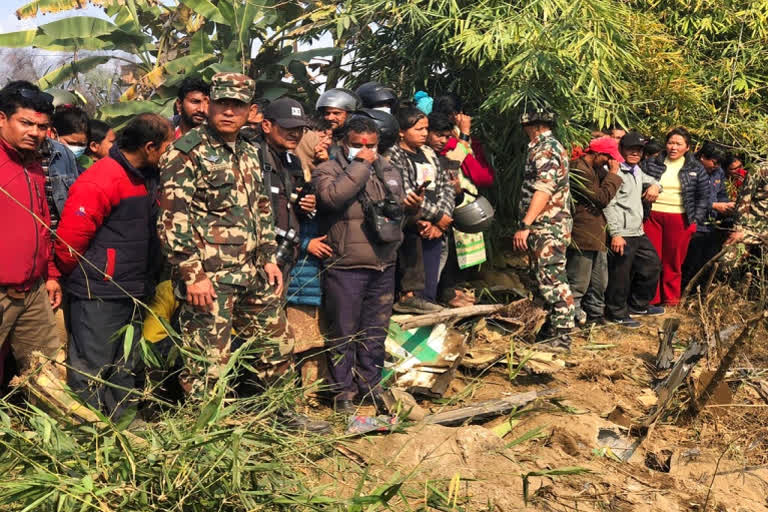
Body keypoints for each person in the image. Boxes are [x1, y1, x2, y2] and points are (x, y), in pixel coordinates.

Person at [157, 73, 328, 431]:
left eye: (237, 105)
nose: (228, 112)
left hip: (254, 272)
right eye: (222, 103)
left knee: (276, 345)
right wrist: (193, 275)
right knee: (207, 361)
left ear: (250, 110)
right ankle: (203, 431)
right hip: (210, 280)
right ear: (210, 105)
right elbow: (173, 220)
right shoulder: (185, 152)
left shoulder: (250, 152)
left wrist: (269, 257)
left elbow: (261, 208)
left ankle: (282, 414)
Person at [55, 113, 173, 417]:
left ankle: (123, 425)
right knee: (92, 367)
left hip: (133, 288)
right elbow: (70, 243)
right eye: (167, 146)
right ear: (150, 147)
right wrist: (90, 276)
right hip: (100, 290)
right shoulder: (102, 178)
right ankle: (87, 431)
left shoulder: (149, 176)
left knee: (126, 364)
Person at [314, 115, 421, 412]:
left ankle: (369, 386)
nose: (366, 150)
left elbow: (396, 217)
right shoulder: (327, 169)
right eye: (358, 145)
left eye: (371, 146)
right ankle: (342, 393)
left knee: (375, 332)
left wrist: (413, 208)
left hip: (383, 264)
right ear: (343, 142)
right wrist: (360, 164)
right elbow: (333, 198)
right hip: (345, 265)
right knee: (343, 333)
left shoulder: (388, 170)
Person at [0, 81, 63, 380]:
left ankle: (46, 426)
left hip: (33, 290)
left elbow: (42, 222)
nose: (35, 133)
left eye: (42, 126)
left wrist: (50, 273)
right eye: (26, 123)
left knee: (46, 373)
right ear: (2, 118)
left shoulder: (34, 164)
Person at [512, 106, 574, 349]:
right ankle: (547, 330)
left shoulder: (545, 149)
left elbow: (544, 189)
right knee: (543, 278)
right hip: (547, 225)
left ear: (533, 126)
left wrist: (526, 224)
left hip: (548, 225)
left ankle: (562, 336)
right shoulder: (548, 147)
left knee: (552, 278)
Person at [388, 104, 454, 312]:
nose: (424, 133)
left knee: (429, 286)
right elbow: (405, 192)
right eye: (418, 129)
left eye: (426, 129)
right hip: (412, 226)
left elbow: (446, 187)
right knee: (410, 283)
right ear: (401, 131)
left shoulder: (429, 153)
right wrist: (433, 216)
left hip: (434, 227)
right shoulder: (395, 155)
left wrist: (441, 221)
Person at [642, 127, 709, 306]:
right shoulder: (652, 162)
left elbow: (703, 197)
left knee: (673, 261)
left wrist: (695, 221)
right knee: (652, 259)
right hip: (652, 216)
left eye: (679, 144)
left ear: (687, 147)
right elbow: (638, 183)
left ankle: (670, 300)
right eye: (671, 142)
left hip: (680, 218)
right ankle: (651, 299)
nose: (673, 147)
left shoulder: (696, 167)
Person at [603, 132, 663, 327]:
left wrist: (655, 186)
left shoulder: (636, 170)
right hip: (622, 232)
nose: (635, 153)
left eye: (638, 150)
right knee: (620, 275)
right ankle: (616, 313)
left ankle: (638, 304)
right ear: (621, 150)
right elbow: (608, 204)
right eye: (631, 149)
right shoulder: (615, 172)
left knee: (651, 264)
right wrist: (616, 233)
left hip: (637, 231)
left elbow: (652, 180)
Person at [426, 111, 482, 307]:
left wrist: (457, 192)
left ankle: (442, 294)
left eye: (447, 136)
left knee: (443, 259)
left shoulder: (442, 157)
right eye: (438, 135)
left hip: (443, 220)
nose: (442, 141)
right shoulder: (424, 157)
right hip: (426, 221)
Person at [566, 136, 623, 325]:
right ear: (598, 154)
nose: (610, 163)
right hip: (583, 232)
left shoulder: (595, 168)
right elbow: (601, 199)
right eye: (608, 158)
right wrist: (614, 174)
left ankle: (595, 315)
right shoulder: (578, 169)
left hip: (597, 232)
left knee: (599, 281)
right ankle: (570, 319)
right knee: (579, 281)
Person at [259, 98, 316, 280]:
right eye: (288, 128)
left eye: (300, 129)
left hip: (286, 252)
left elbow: (290, 202)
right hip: (258, 253)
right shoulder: (251, 156)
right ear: (267, 126)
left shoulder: (293, 161)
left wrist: (306, 205)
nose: (295, 134)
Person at [681, 142, 735, 291]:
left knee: (707, 261)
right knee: (689, 262)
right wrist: (713, 205)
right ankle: (679, 294)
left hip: (710, 225)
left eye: (719, 164)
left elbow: (721, 194)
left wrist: (727, 205)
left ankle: (696, 294)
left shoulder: (718, 172)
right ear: (703, 157)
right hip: (691, 224)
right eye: (714, 162)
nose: (716, 166)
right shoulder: (688, 169)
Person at [295, 88, 359, 173]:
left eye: (336, 113)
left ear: (349, 115)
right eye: (327, 113)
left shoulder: (354, 139)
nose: (330, 118)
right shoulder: (309, 133)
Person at [51, 105, 90, 170]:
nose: (77, 148)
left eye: (82, 145)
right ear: (54, 134)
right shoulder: (40, 164)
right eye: (71, 143)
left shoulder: (83, 171)